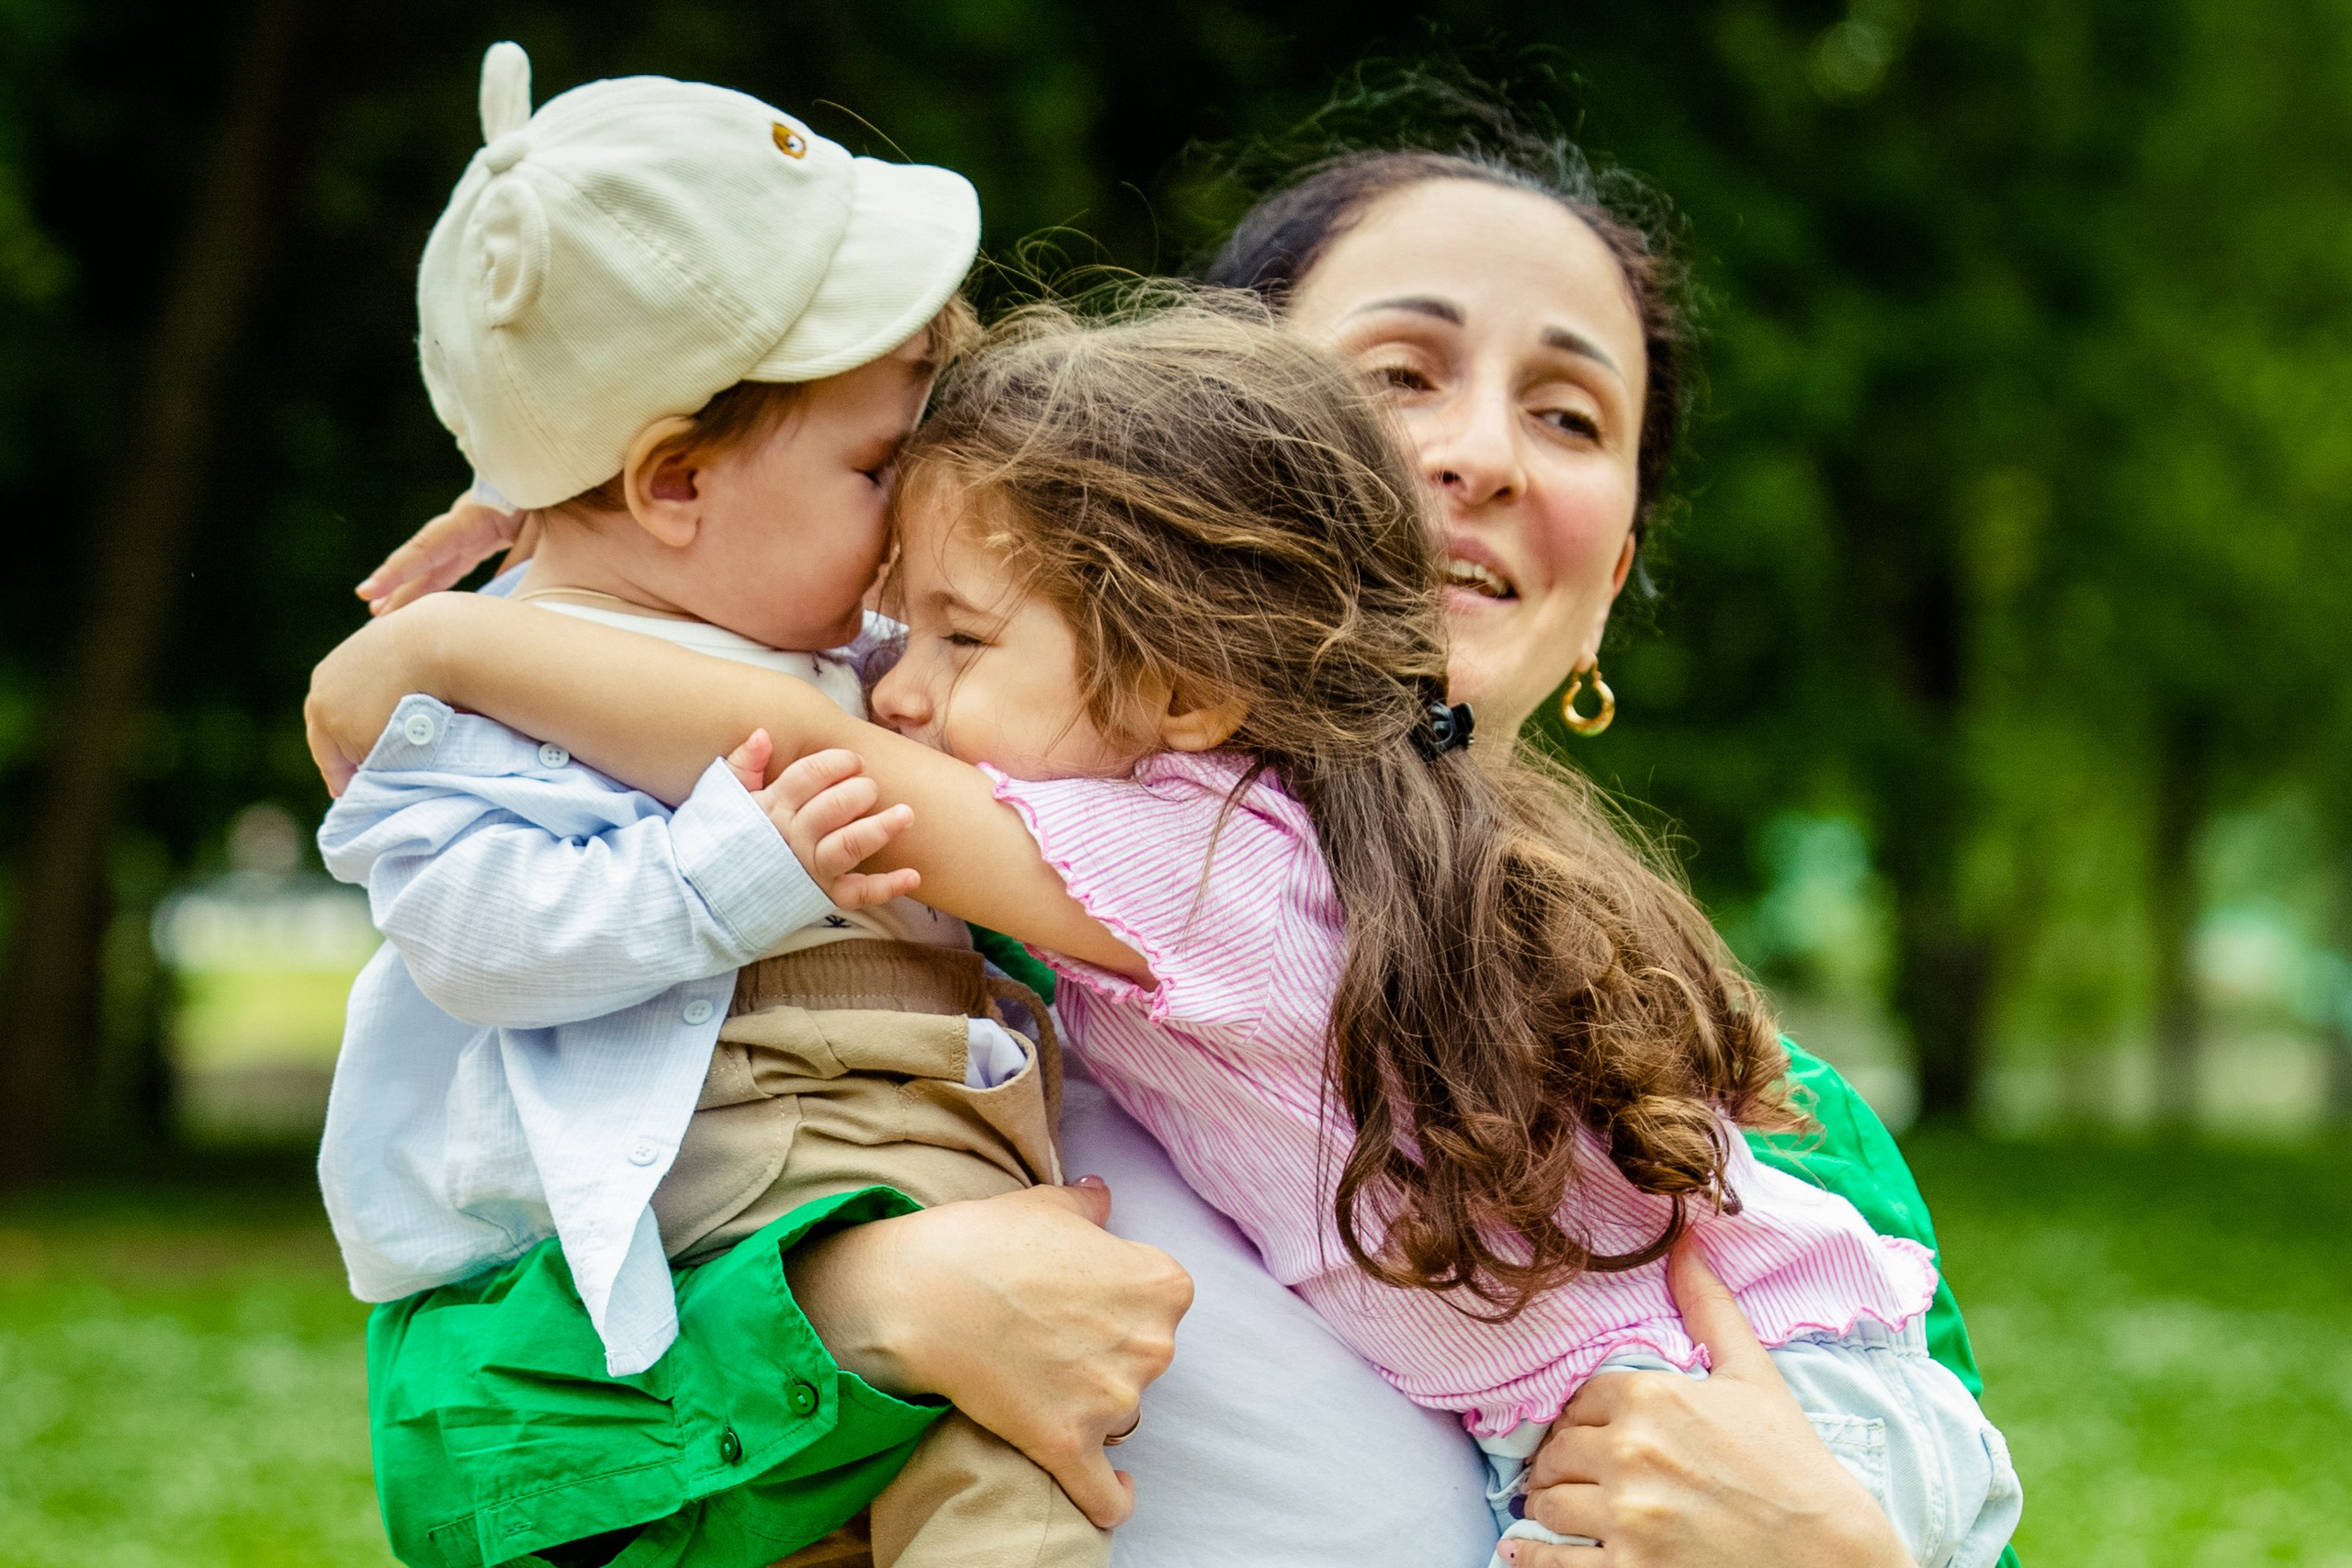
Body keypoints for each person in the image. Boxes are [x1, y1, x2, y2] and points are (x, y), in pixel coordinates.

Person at [338, 125, 2010, 1568]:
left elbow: (1953, 1490)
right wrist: (860, 1308)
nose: (1479, 455)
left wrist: (1847, 1547)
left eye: (1573, 417)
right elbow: (453, 1467)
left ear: (1617, 570)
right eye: (1393, 379)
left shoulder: (1745, 1089)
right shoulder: (885, 941)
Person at [315, 43, 1153, 1568]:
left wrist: (539, 476)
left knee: (999, 1447)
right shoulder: (496, 691)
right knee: (1006, 1445)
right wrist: (719, 877)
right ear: (674, 488)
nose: (908, 519)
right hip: (744, 1144)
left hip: (921, 1116)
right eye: (879, 466)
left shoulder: (802, 622)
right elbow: (471, 939)